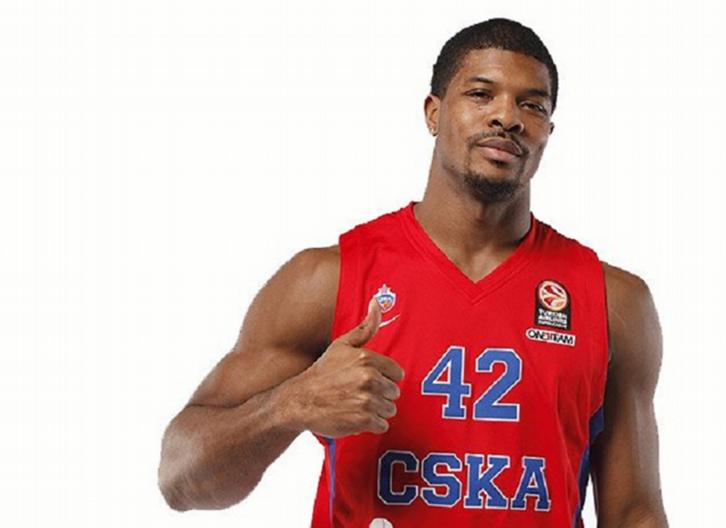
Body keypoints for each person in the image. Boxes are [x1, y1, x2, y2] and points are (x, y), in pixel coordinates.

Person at [158, 17, 668, 528]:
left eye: (532, 105)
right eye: (481, 94)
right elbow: (180, 478)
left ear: (548, 132)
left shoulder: (611, 300)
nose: (507, 117)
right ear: (433, 112)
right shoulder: (327, 280)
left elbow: (636, 513)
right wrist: (288, 405)